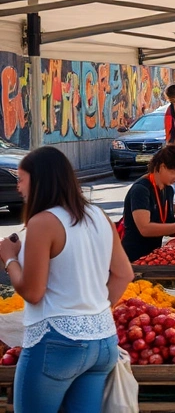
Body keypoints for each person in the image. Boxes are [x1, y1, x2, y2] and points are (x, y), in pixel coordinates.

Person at [0, 146, 133, 413]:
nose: (18, 187)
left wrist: (9, 259)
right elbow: (124, 274)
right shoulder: (99, 216)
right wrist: (92, 309)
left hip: (56, 343)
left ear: (39, 181)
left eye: (22, 178)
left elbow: (32, 292)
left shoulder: (42, 222)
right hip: (103, 341)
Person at [121, 146, 175, 262]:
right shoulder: (141, 189)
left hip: (156, 254)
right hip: (135, 257)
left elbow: (169, 224)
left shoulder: (168, 190)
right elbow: (145, 229)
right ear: (162, 167)